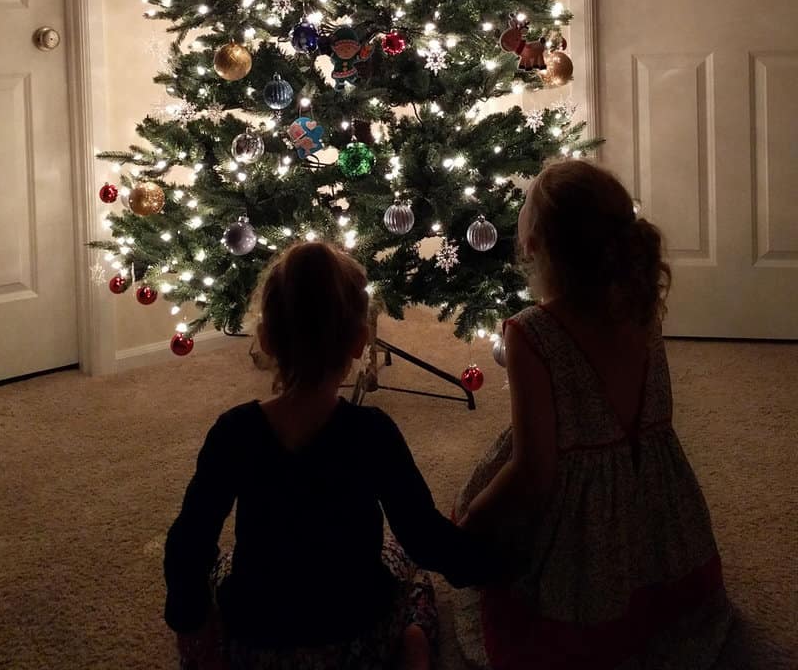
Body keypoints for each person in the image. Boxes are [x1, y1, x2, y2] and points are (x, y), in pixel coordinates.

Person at [453, 158, 732, 670]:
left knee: (493, 548)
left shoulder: (531, 331)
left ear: (536, 247)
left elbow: (533, 473)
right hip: (652, 500)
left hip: (581, 525)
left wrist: (474, 519)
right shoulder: (640, 304)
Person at [164, 240, 495, 670]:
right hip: (355, 637)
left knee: (218, 565)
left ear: (265, 338)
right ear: (359, 341)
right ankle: (413, 644)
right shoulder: (372, 432)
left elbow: (188, 543)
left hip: (257, 643)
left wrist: (192, 626)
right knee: (414, 579)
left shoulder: (234, 431)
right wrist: (488, 562)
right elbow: (424, 537)